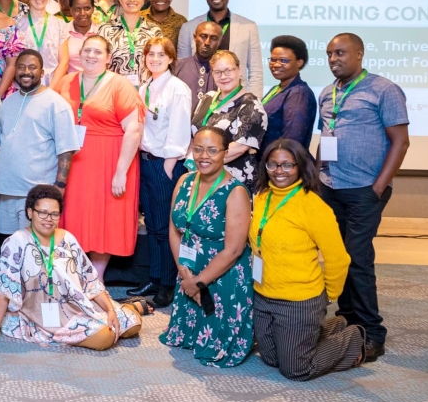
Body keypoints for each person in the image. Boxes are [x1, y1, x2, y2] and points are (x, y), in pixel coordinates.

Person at [315, 32, 409, 362]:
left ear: (359, 54)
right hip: (330, 187)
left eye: (340, 52)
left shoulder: (384, 89)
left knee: (357, 258)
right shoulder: (327, 93)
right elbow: (325, 138)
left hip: (364, 189)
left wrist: (379, 186)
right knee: (338, 257)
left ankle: (372, 331)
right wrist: (316, 179)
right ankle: (347, 318)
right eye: (329, 54)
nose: (333, 59)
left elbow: (400, 141)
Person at [0, 186, 148, 350]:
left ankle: (127, 309)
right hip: (38, 314)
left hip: (76, 305)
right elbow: (4, 290)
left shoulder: (67, 238)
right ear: (30, 212)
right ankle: (128, 308)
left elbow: (90, 281)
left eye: (54, 214)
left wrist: (110, 310)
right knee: (105, 338)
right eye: (43, 213)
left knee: (134, 324)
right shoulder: (16, 242)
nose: (49, 219)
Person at [252, 139, 364, 380]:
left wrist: (328, 296)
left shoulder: (314, 207)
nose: (279, 171)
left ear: (300, 166)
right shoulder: (262, 197)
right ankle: (330, 327)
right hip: (263, 294)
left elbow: (338, 259)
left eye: (287, 165)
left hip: (299, 301)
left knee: (295, 369)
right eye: (272, 164)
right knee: (271, 359)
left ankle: (352, 337)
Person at [162, 127, 254, 367]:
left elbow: (233, 250)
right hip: (188, 268)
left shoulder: (236, 192)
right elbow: (174, 229)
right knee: (183, 339)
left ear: (225, 153)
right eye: (198, 149)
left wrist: (198, 282)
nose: (204, 156)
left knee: (214, 349)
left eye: (212, 150)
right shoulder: (184, 181)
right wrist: (184, 273)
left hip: (223, 274)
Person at [54, 35, 144, 280]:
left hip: (109, 162)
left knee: (105, 218)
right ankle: (75, 273)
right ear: (80, 53)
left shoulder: (119, 85)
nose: (91, 56)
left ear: (108, 57)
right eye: (87, 50)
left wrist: (121, 172)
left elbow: (134, 131)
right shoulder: (67, 81)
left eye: (97, 52)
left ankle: (97, 277)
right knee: (75, 215)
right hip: (74, 162)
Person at [130, 37, 193, 307]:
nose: (154, 59)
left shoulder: (177, 88)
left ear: (170, 59)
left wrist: (169, 163)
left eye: (161, 55)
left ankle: (168, 284)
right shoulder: (146, 86)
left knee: (167, 228)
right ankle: (154, 278)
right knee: (153, 225)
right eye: (150, 54)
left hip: (164, 164)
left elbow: (179, 128)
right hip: (145, 160)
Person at [0, 50, 77, 237]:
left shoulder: (56, 104)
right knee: (10, 245)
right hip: (6, 191)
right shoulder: (7, 102)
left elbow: (66, 149)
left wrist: (59, 187)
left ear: (42, 72)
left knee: (36, 244)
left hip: (37, 194)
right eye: (21, 67)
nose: (26, 72)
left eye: (32, 67)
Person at [190, 50, 268, 188]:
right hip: (201, 175)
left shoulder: (251, 104)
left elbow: (240, 147)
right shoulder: (207, 98)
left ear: (239, 70)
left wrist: (204, 162)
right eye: (218, 72)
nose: (223, 76)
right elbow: (193, 135)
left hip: (233, 180)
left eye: (228, 71)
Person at [178, 0, 263, 95]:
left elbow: (256, 71)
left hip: (235, 96)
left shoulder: (248, 27)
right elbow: (182, 69)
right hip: (197, 96)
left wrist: (254, 101)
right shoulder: (188, 28)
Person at [98, 0, 163, 86]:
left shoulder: (154, 31)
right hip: (114, 89)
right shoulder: (106, 29)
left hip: (146, 90)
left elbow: (161, 64)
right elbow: (99, 63)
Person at [262, 35, 318, 148]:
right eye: (273, 60)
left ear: (299, 62)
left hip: (281, 158)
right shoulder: (276, 89)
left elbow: (292, 140)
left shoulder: (299, 93)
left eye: (284, 60)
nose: (276, 65)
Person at [18, 0, 62, 85]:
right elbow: (13, 62)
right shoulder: (17, 25)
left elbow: (63, 62)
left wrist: (50, 90)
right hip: (24, 87)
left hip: (53, 86)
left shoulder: (59, 24)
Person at [174, 21, 222, 113]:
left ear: (219, 42)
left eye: (213, 38)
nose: (207, 42)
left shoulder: (223, 72)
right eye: (203, 36)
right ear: (195, 37)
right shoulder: (178, 66)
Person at [52, 0, 99, 82]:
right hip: (69, 85)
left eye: (87, 8)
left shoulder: (102, 32)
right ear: (71, 10)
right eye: (77, 9)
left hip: (98, 85)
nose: (82, 13)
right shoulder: (62, 32)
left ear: (93, 9)